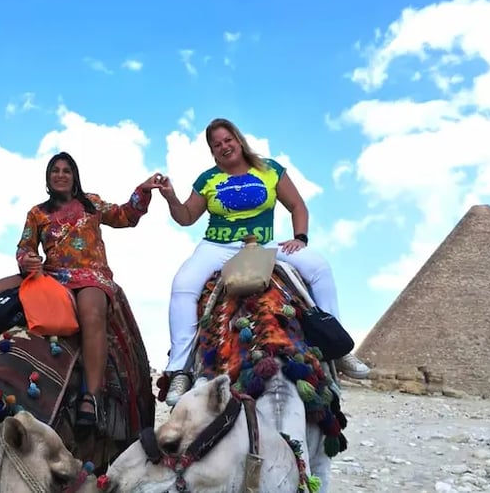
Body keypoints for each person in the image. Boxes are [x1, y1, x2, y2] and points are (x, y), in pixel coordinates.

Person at [0, 151, 164, 427]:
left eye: (66, 170)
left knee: (91, 312)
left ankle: (91, 396)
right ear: (48, 178)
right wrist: (27, 261)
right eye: (55, 170)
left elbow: (125, 216)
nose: (60, 175)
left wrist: (143, 190)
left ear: (74, 177)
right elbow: (24, 247)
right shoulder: (37, 213)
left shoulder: (92, 204)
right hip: (52, 274)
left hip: (92, 275)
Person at [157, 118, 370, 406]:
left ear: (238, 139)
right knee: (183, 287)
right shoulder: (207, 179)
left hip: (263, 243)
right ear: (212, 150)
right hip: (217, 245)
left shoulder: (269, 170)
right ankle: (180, 370)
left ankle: (337, 346)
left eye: (227, 139)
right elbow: (185, 217)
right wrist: (170, 197)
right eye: (216, 144)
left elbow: (297, 206)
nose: (224, 146)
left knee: (318, 267)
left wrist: (301, 238)